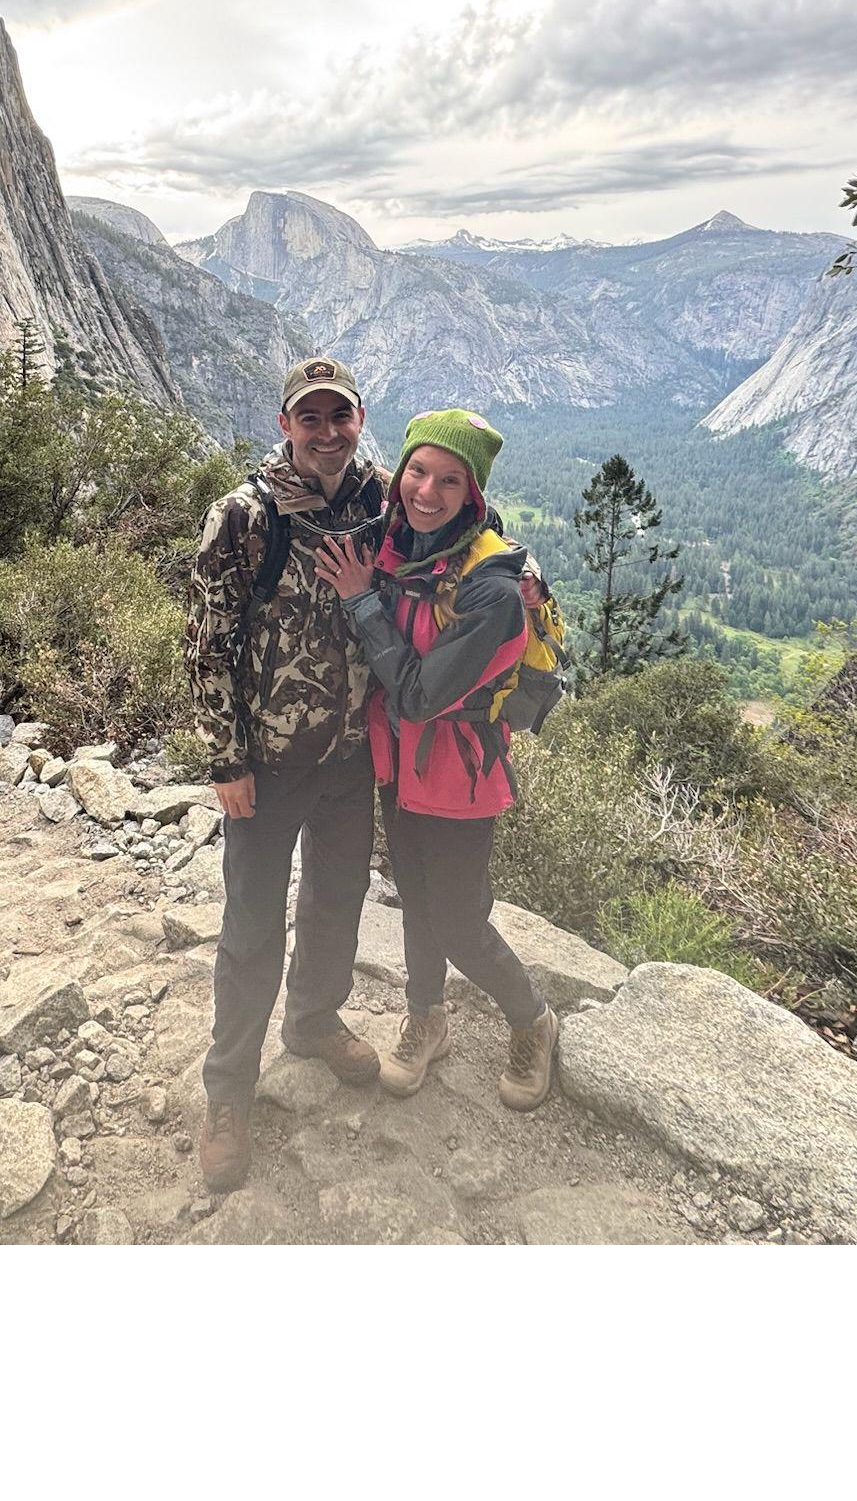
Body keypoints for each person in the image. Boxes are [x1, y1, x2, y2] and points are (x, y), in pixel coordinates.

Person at [312, 408, 559, 1111]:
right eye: (418, 471)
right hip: (399, 769)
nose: (427, 490)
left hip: (460, 775)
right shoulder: (408, 540)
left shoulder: (495, 592)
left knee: (454, 917)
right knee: (418, 901)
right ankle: (427, 1018)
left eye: (450, 480)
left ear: (472, 495)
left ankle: (532, 1017)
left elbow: (419, 696)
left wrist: (361, 601)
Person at [183, 357, 389, 1192]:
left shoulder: (381, 499)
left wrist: (514, 574)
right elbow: (206, 644)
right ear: (286, 425)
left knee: (337, 901)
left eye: (341, 416)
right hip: (265, 767)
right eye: (312, 418)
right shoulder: (241, 517)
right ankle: (229, 1092)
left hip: (350, 756)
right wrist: (225, 759)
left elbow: (453, 537)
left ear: (359, 418)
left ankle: (312, 1021)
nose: (329, 432)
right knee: (252, 927)